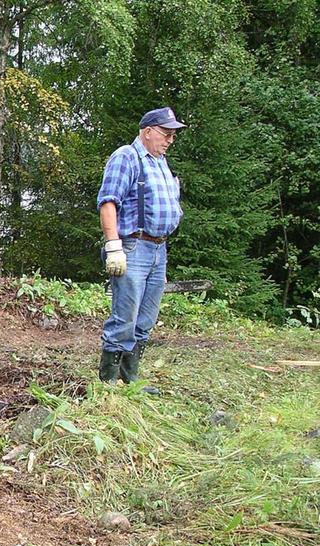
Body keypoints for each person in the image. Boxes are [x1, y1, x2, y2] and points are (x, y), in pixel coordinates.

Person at [96, 107, 185, 384]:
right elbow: (108, 202)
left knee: (145, 320)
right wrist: (114, 246)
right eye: (166, 133)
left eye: (173, 135)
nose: (170, 139)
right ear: (148, 131)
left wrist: (160, 256)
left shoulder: (160, 162)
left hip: (158, 250)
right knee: (124, 318)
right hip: (134, 247)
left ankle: (129, 381)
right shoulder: (127, 157)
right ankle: (108, 385)